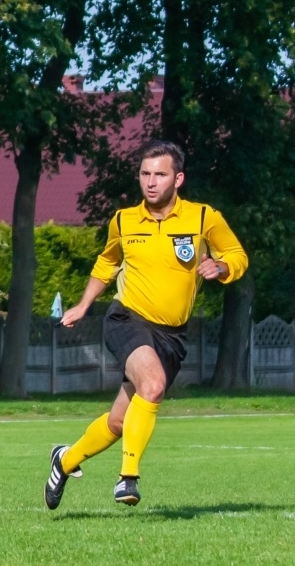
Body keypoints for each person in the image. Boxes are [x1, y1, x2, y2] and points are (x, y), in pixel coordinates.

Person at [44, 140, 247, 509]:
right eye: (145, 174)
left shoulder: (203, 218)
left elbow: (237, 254)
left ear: (178, 178)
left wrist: (221, 267)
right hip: (127, 319)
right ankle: (128, 478)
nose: (151, 182)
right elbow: (106, 264)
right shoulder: (123, 220)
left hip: (172, 334)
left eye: (160, 174)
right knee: (151, 386)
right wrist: (83, 304)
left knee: (121, 422)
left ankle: (64, 461)